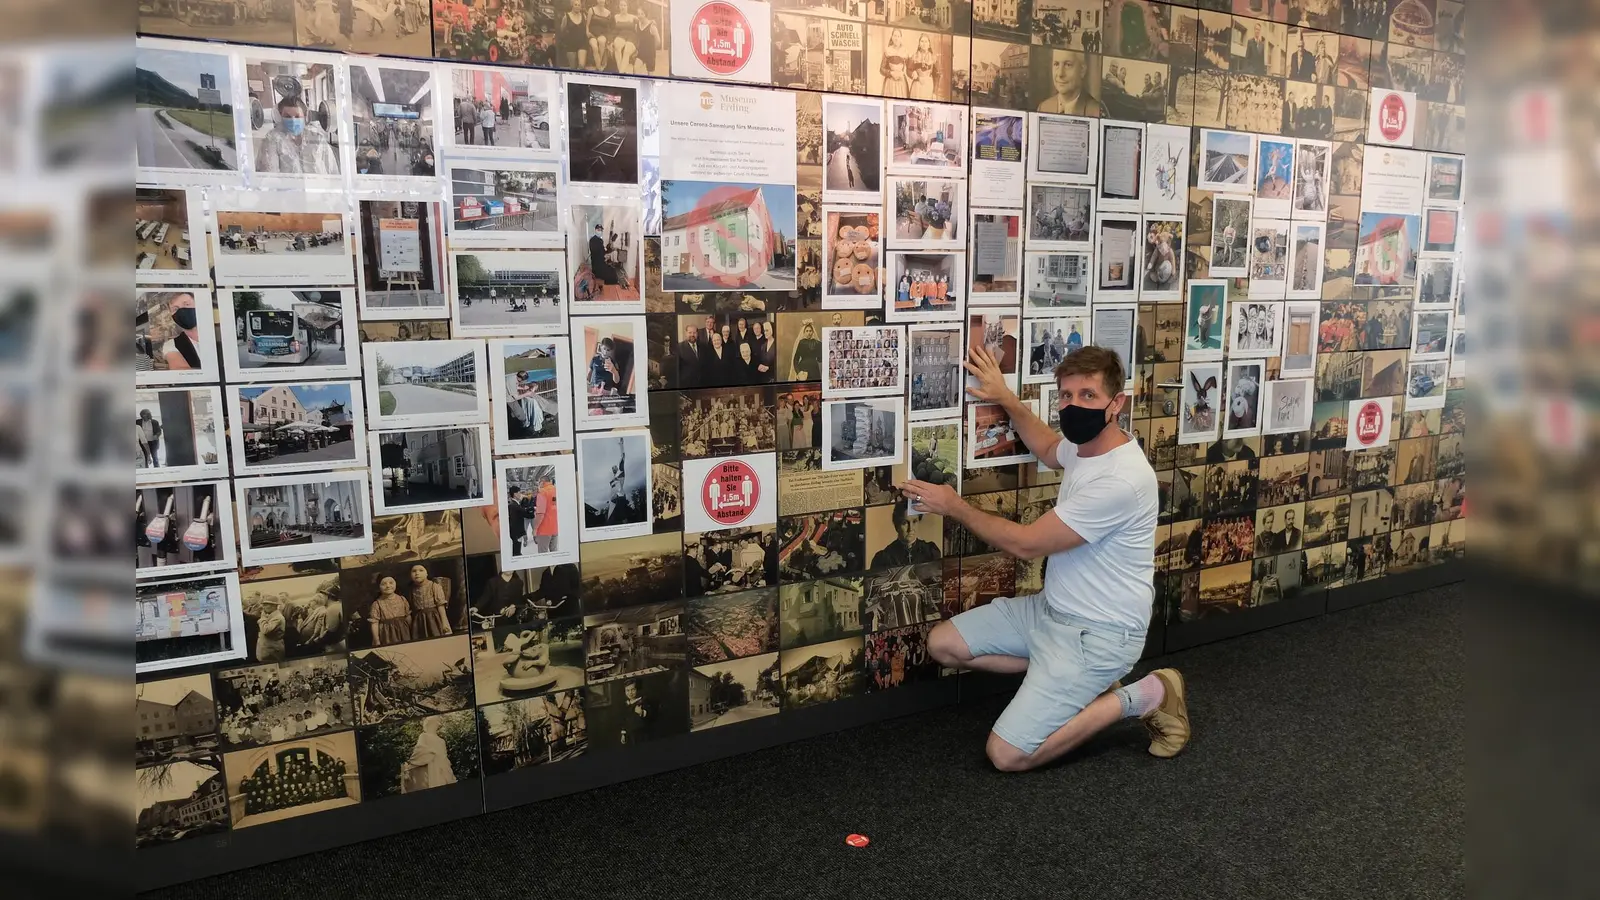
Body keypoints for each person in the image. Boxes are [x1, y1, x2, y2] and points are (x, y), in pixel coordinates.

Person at [899, 345, 1189, 771]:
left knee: (1008, 755)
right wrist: (1006, 397)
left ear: (1117, 403)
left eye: (1088, 395)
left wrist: (954, 506)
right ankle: (1067, 679)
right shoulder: (1089, 446)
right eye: (1066, 395)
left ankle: (1147, 694)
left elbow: (1027, 544)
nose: (1074, 405)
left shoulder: (1122, 480)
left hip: (1099, 634)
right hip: (1051, 613)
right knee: (943, 644)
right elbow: (1051, 448)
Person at [256, 96, 339, 175]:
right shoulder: (273, 139)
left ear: (305, 117)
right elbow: (270, 174)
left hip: (317, 188)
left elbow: (332, 171)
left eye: (297, 116)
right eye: (287, 116)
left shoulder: (317, 139)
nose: (292, 120)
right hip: (287, 189)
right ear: (280, 116)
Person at [870, 500, 943, 568]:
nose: (910, 529)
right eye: (905, 523)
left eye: (914, 521)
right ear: (897, 525)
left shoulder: (930, 551)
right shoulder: (883, 558)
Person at [1037, 50, 1106, 116]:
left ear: (1082, 70)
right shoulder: (1043, 107)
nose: (1060, 73)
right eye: (1056, 64)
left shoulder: (1096, 111)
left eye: (1068, 65)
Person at [401, 717, 456, 793]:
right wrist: (431, 752)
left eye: (436, 725)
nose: (435, 727)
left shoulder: (441, 741)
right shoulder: (424, 736)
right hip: (430, 766)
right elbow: (419, 751)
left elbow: (444, 757)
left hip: (441, 767)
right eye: (433, 724)